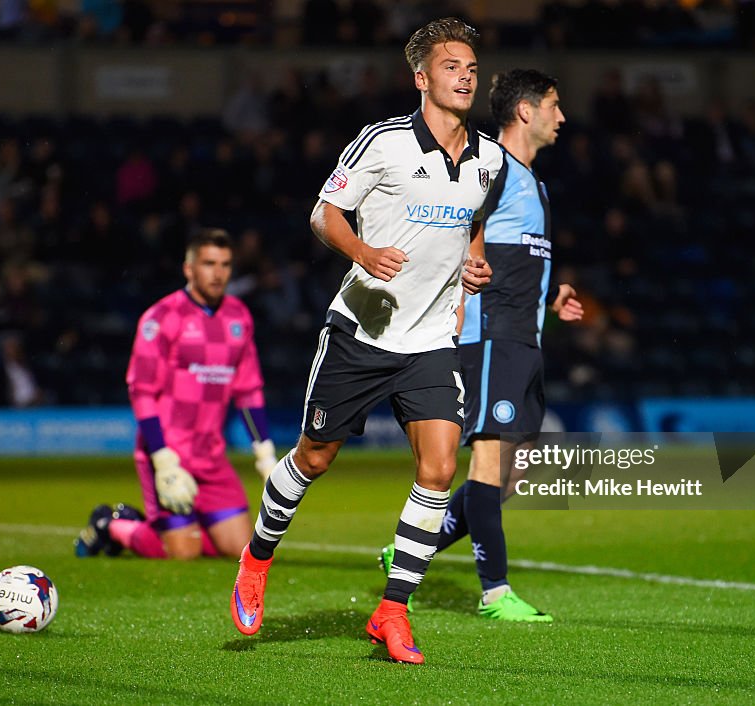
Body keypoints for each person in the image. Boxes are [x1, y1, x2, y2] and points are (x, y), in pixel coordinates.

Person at [229, 17, 503, 665]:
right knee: (314, 459)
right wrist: (363, 250)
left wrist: (471, 282)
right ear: (421, 78)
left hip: (432, 342)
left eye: (471, 67)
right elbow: (323, 213)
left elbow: (474, 229)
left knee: (439, 470)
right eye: (451, 66)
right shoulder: (381, 142)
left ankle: (391, 612)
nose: (465, 75)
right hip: (361, 333)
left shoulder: (490, 158)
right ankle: (257, 557)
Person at [382, 69, 584, 621]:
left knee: (508, 479)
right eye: (554, 104)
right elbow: (449, 233)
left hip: (523, 338)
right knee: (488, 467)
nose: (561, 117)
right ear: (525, 111)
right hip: (487, 336)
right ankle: (495, 592)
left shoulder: (534, 182)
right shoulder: (491, 169)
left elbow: (513, 259)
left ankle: (407, 549)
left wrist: (551, 298)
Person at [74, 229, 277, 560]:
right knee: (182, 552)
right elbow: (141, 393)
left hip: (211, 455)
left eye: (225, 264)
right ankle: (111, 526)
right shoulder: (161, 317)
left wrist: (265, 454)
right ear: (189, 269)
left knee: (242, 551)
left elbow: (248, 390)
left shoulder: (238, 316)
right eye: (209, 263)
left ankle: (175, 529)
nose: (218, 273)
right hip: (169, 451)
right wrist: (162, 458)